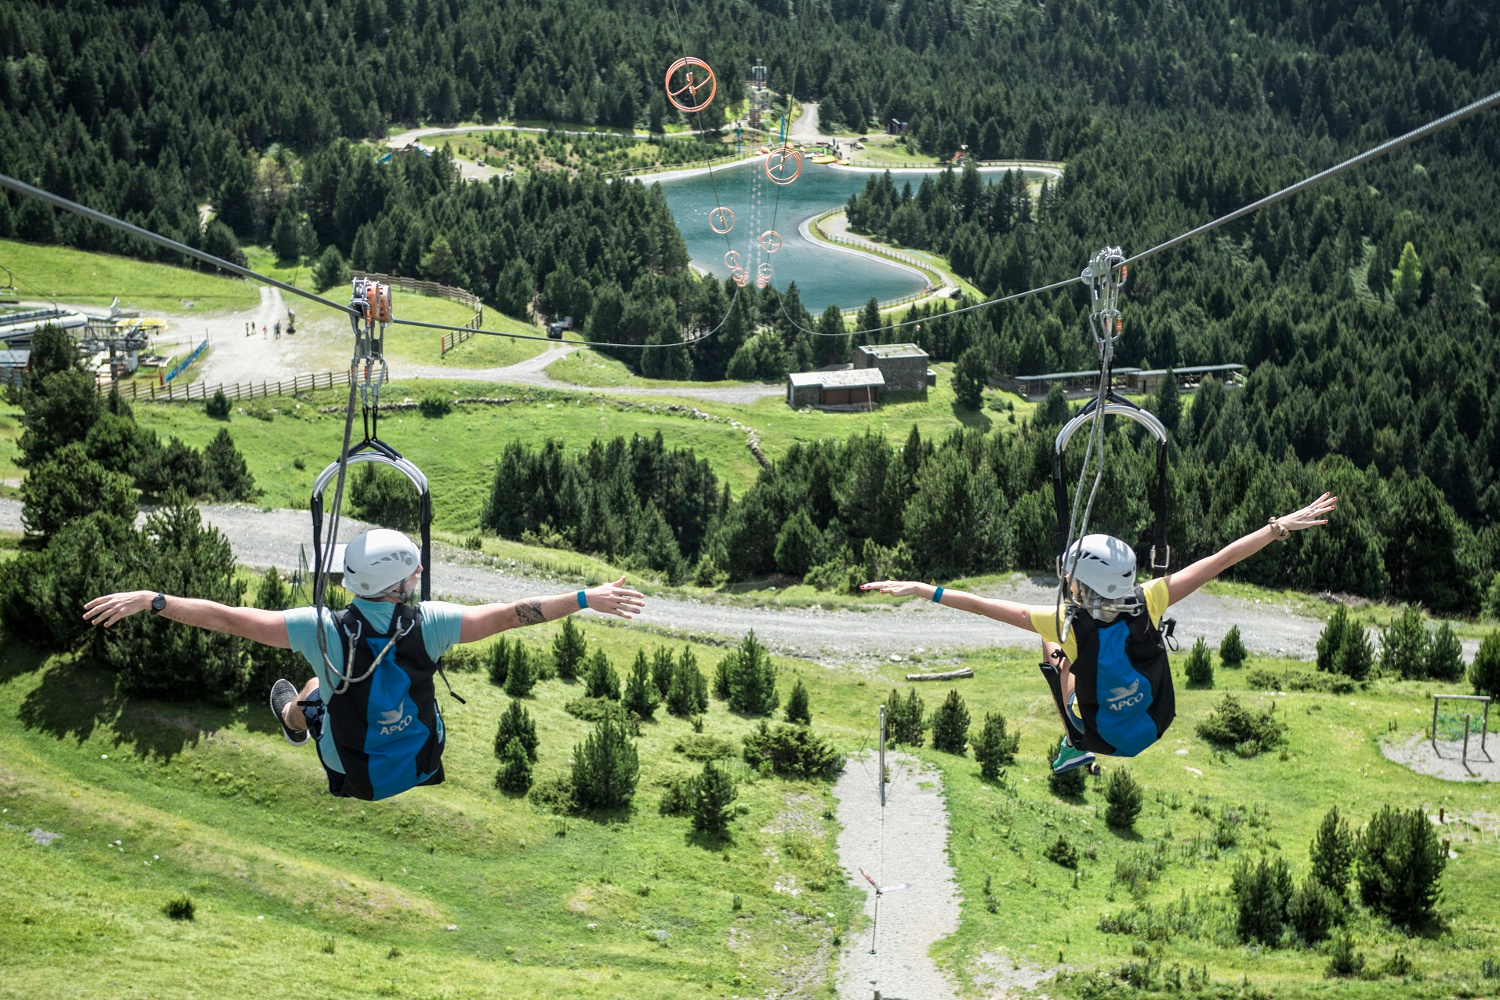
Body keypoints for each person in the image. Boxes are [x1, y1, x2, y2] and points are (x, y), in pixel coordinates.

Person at [84, 528, 646, 801]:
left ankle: (293, 721)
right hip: (421, 755)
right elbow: (511, 615)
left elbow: (232, 618)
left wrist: (154, 600)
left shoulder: (320, 629)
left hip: (352, 765)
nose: (418, 580)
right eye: (413, 575)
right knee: (329, 686)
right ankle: (301, 712)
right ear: (398, 585)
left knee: (315, 687)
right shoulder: (434, 623)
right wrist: (583, 598)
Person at [862, 493, 1337, 774]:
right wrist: (1278, 527)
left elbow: (982, 605)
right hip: (1154, 718)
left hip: (1097, 738)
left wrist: (922, 588)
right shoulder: (1150, 599)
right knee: (1064, 652)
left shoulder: (1060, 623)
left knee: (1053, 655)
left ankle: (1072, 746)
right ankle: (1076, 733)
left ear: (1081, 586)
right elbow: (1221, 560)